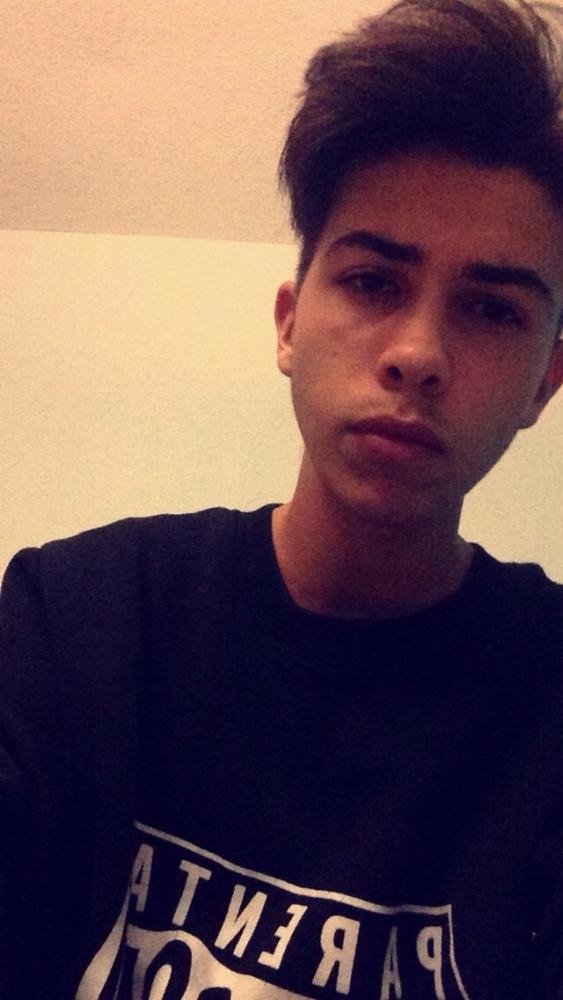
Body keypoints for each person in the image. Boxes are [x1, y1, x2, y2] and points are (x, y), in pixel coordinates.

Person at [1, 0, 563, 996]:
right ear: (289, 324)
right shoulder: (76, 617)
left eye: (489, 308)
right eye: (372, 281)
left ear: (543, 385)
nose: (417, 354)